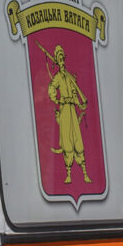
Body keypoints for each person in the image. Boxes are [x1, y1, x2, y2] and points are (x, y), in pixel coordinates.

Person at [47, 44, 91, 184]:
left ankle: (85, 174)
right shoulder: (58, 77)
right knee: (67, 141)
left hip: (72, 109)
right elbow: (51, 89)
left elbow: (75, 93)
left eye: (62, 58)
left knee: (78, 140)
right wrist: (58, 99)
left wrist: (80, 103)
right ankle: (69, 175)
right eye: (59, 58)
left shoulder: (71, 77)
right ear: (56, 60)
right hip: (64, 110)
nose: (62, 60)